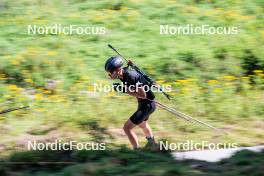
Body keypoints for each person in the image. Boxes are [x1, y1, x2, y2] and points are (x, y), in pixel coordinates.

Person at [105, 56, 157, 150]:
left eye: (110, 72)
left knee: (127, 128)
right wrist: (132, 65)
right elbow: (131, 75)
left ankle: (137, 151)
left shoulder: (130, 75)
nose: (109, 75)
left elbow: (143, 94)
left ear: (117, 70)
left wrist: (124, 90)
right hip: (146, 104)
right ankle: (152, 144)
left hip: (147, 105)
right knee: (142, 124)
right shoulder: (123, 74)